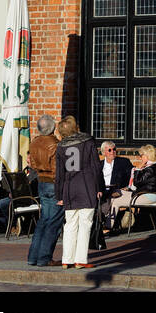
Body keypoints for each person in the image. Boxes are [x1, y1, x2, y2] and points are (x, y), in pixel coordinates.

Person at [54, 115, 101, 268]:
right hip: (87, 185)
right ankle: (80, 259)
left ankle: (66, 260)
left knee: (70, 225)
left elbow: (59, 174)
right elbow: (95, 167)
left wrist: (59, 195)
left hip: (69, 187)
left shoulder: (60, 146)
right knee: (85, 223)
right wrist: (100, 187)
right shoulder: (87, 142)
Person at [28, 115, 64, 266]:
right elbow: (58, 170)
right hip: (53, 184)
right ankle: (44, 257)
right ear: (53, 128)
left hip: (42, 181)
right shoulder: (56, 144)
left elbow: (33, 165)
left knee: (44, 220)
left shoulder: (34, 142)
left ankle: (33, 257)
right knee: (53, 222)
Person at [107, 145, 156, 228]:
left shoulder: (151, 169)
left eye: (141, 156)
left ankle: (108, 227)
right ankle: (107, 222)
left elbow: (137, 183)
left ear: (147, 156)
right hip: (142, 193)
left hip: (148, 196)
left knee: (116, 201)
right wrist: (127, 188)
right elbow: (141, 184)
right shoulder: (153, 166)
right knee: (116, 192)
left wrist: (137, 169)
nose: (140, 158)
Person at [98, 141, 133, 226]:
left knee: (111, 197)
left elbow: (132, 176)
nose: (113, 152)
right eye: (109, 150)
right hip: (102, 189)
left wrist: (127, 187)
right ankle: (99, 221)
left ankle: (105, 223)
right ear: (103, 152)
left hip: (116, 190)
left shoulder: (123, 162)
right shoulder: (99, 164)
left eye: (114, 149)